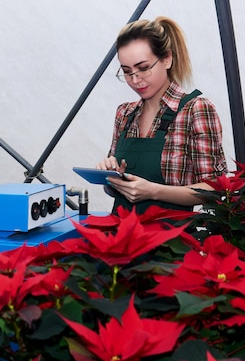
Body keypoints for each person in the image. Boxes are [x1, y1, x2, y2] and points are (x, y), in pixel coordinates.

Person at [96, 16, 227, 213]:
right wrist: (112, 179)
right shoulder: (125, 113)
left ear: (166, 59)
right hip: (122, 235)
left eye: (143, 68)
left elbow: (215, 189)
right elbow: (113, 190)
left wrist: (154, 191)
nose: (135, 79)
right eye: (127, 71)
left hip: (172, 240)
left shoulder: (194, 110)